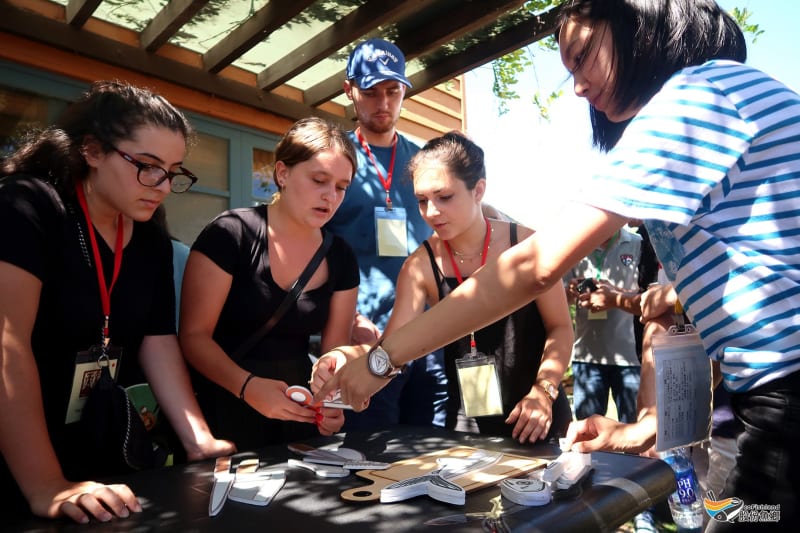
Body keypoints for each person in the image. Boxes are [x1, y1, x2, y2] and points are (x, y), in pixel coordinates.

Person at [314, 1, 800, 529]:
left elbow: (537, 268)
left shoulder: (700, 95)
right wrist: (646, 426)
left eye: (583, 56)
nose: (578, 88)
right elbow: (694, 311)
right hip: (757, 397)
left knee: (749, 515)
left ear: (641, 26)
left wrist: (382, 362)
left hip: (784, 400)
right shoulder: (713, 110)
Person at [0, 80, 235, 524]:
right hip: (21, 458)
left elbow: (158, 341)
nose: (162, 185)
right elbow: (6, 343)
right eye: (147, 166)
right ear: (91, 150)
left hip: (103, 446)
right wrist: (46, 484)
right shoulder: (28, 206)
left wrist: (198, 439)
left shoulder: (149, 238)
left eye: (172, 171)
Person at [319, 131, 573, 442]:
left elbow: (560, 327)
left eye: (445, 197)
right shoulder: (420, 265)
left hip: (536, 416)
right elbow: (395, 346)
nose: (432, 212)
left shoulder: (527, 244)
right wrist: (350, 357)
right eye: (422, 201)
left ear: (478, 190)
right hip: (469, 420)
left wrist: (544, 390)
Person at [179, 117, 358, 452]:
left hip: (299, 411)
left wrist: (331, 403)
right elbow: (192, 337)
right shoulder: (232, 232)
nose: (330, 196)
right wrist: (248, 387)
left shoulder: (342, 256)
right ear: (282, 173)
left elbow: (334, 351)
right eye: (319, 180)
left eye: (341, 187)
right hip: (223, 400)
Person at [325, 38, 448, 430]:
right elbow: (314, 249)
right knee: (371, 458)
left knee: (434, 455)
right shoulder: (334, 159)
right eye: (370, 91)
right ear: (349, 91)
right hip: (367, 336)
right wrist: (352, 316)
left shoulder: (425, 162)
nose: (383, 102)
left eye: (393, 91)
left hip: (430, 335)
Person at [564, 227, 642, 424]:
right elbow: (559, 300)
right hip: (587, 357)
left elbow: (650, 296)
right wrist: (571, 291)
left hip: (631, 358)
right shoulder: (576, 245)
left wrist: (614, 295)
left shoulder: (638, 243)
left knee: (635, 433)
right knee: (587, 435)